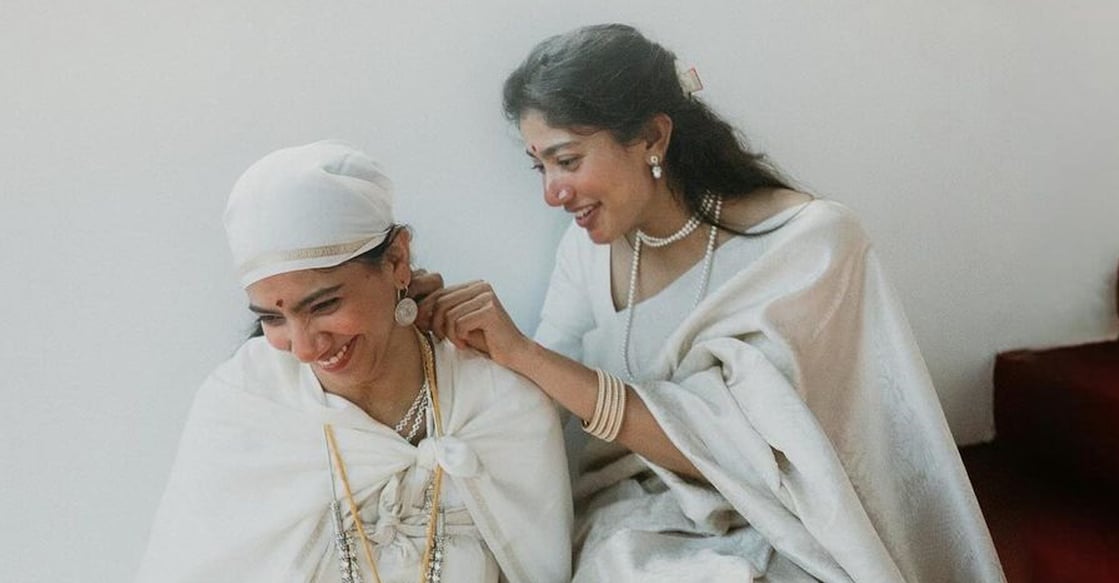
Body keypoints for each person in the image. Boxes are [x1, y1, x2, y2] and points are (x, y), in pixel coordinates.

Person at [423, 24, 1006, 582]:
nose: (552, 193)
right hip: (641, 523)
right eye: (541, 166)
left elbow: (760, 457)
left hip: (797, 527)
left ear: (652, 136)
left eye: (568, 160)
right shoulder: (588, 251)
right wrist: (435, 345)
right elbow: (539, 396)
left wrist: (523, 354)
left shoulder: (811, 245)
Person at [137, 140, 572, 583]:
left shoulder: (499, 401)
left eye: (323, 305)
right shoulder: (243, 404)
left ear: (398, 261)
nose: (304, 349)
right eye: (273, 318)